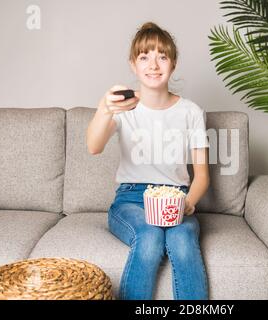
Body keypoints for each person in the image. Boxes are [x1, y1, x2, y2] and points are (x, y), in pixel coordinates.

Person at [86, 21, 210, 300]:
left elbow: (202, 176)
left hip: (177, 199)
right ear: (133, 64)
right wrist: (104, 108)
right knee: (150, 236)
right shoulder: (124, 107)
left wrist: (187, 203)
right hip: (132, 199)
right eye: (144, 57)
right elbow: (94, 146)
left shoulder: (191, 112)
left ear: (173, 64)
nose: (153, 64)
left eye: (161, 56)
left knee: (183, 241)